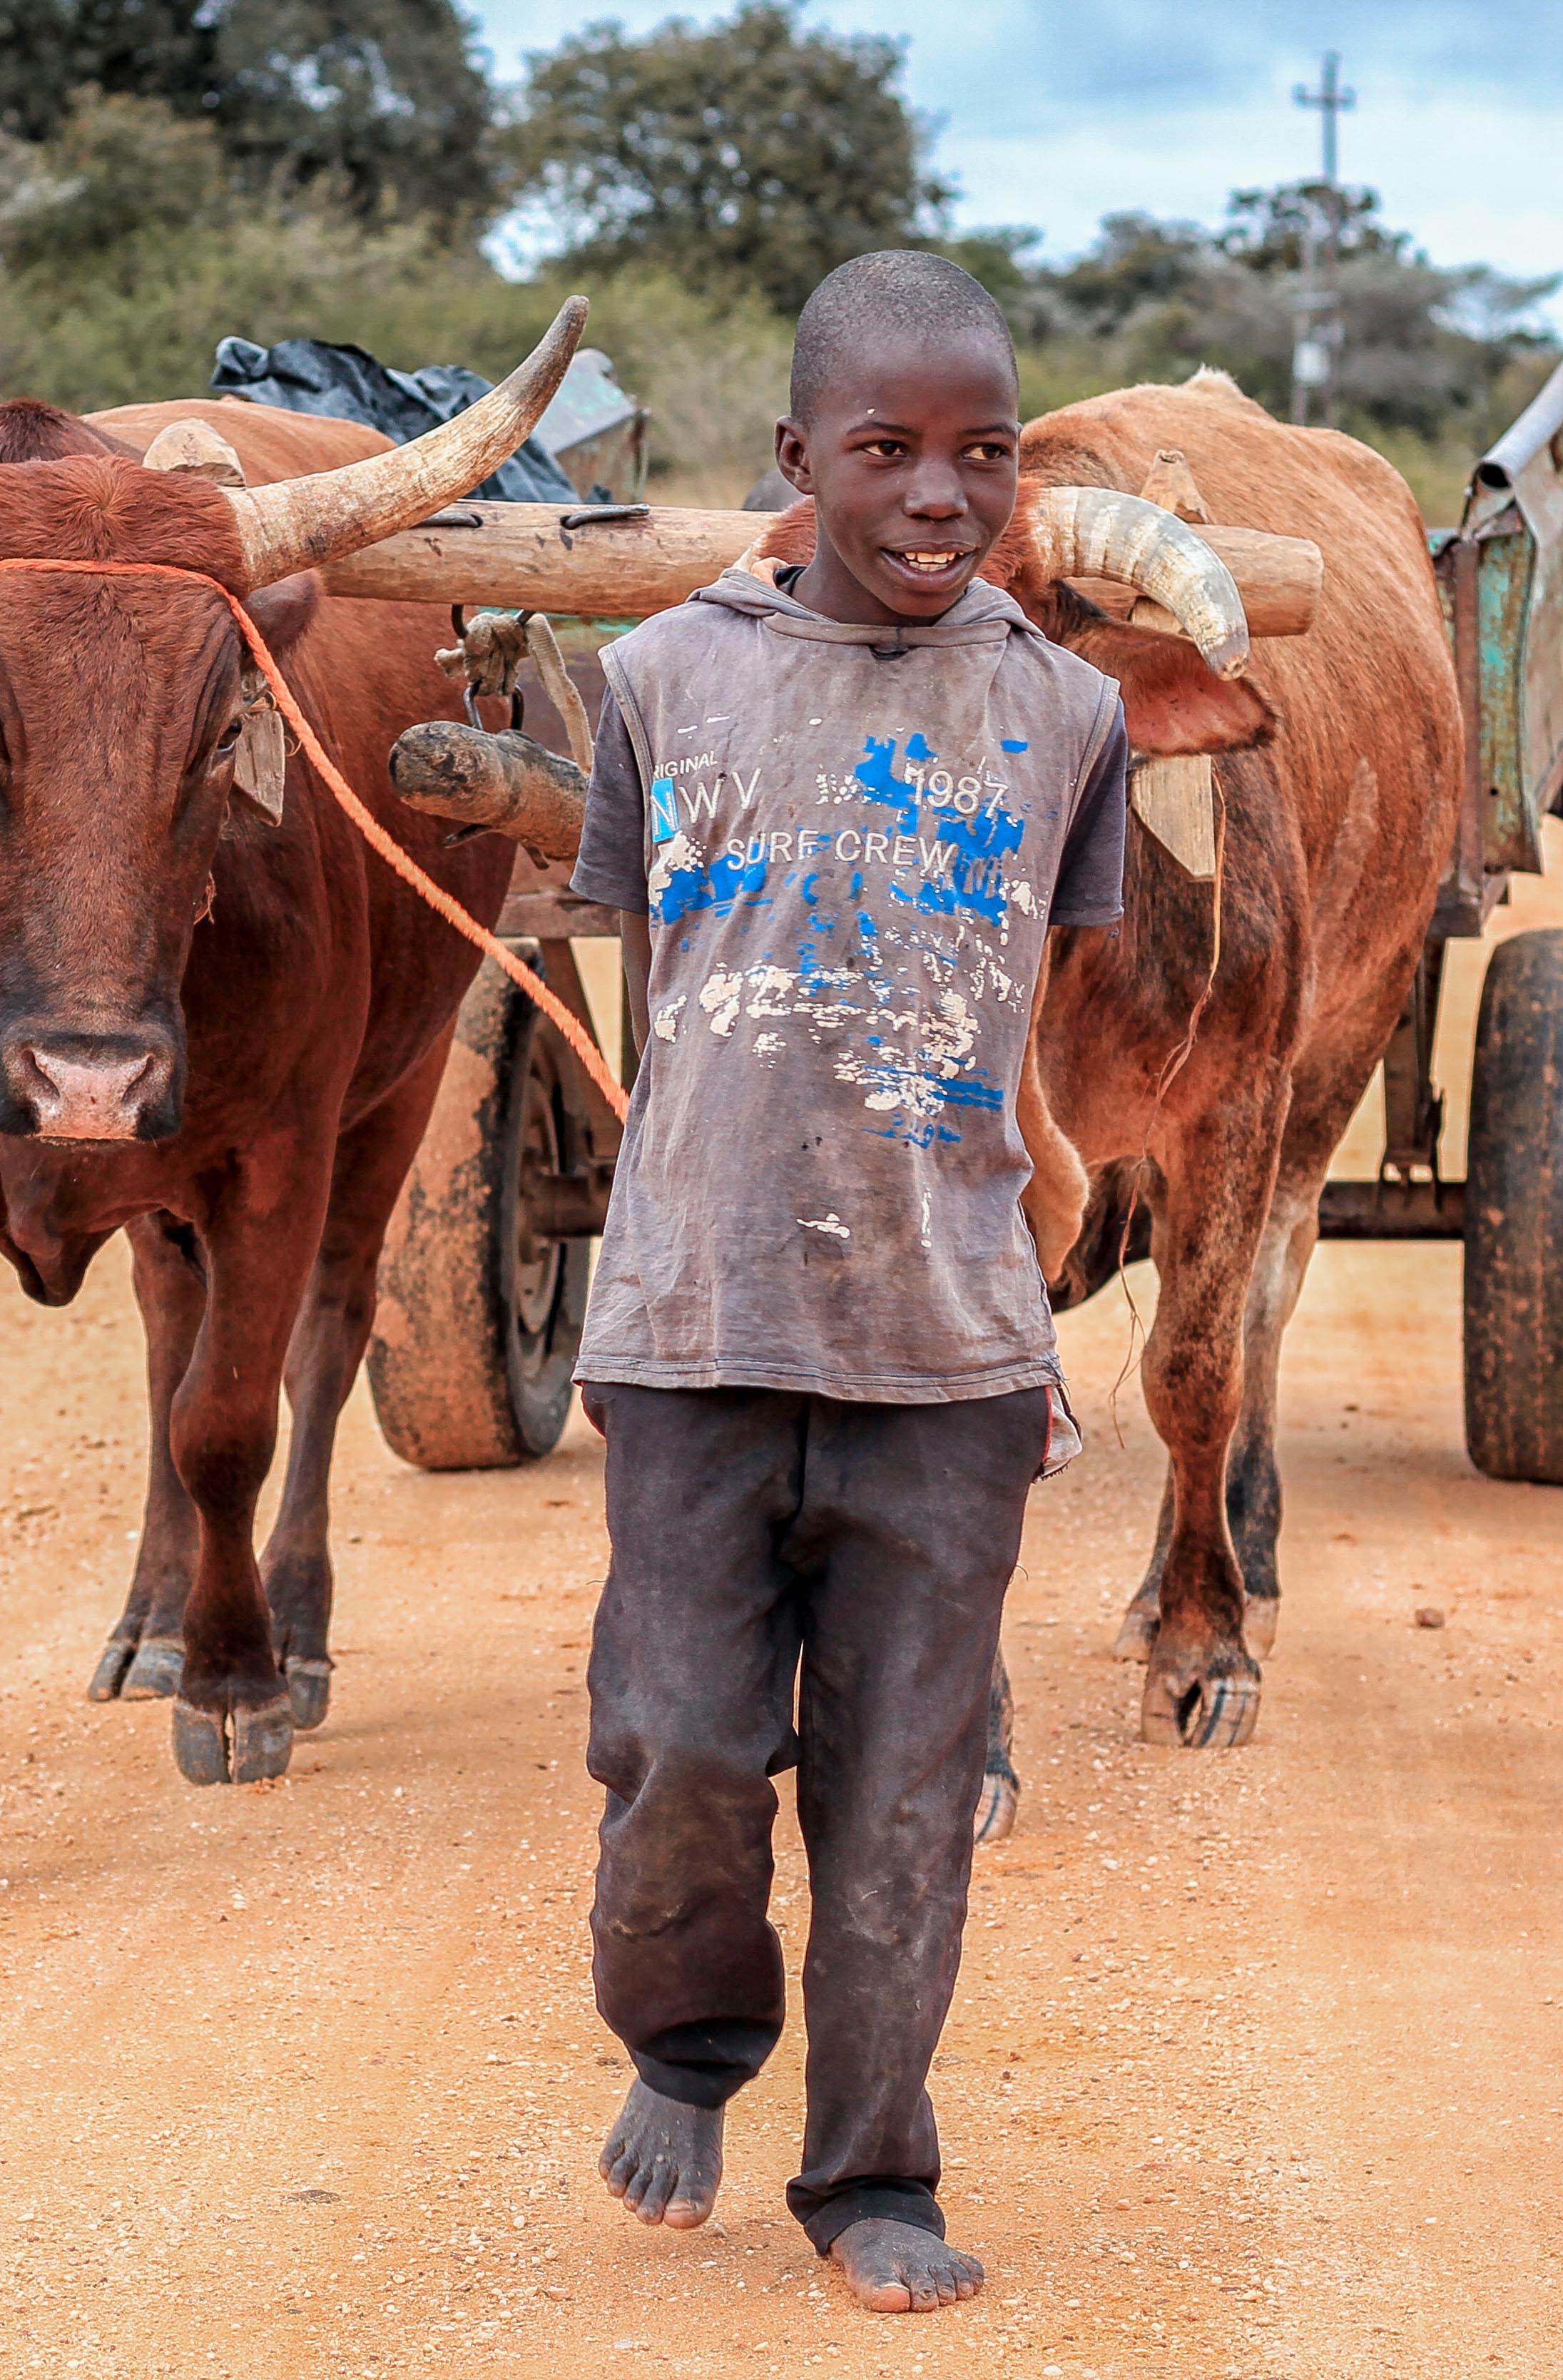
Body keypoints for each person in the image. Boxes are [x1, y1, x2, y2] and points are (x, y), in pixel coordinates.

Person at [562, 248, 1128, 2315]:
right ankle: (690, 2050)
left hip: (949, 1352)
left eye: (980, 455)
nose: (933, 497)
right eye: (882, 452)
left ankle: (873, 2176)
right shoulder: (653, 683)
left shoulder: (1067, 715)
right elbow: (662, 986)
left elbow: (1024, 1023)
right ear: (791, 460)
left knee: (902, 1798)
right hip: (695, 1331)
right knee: (687, 1749)